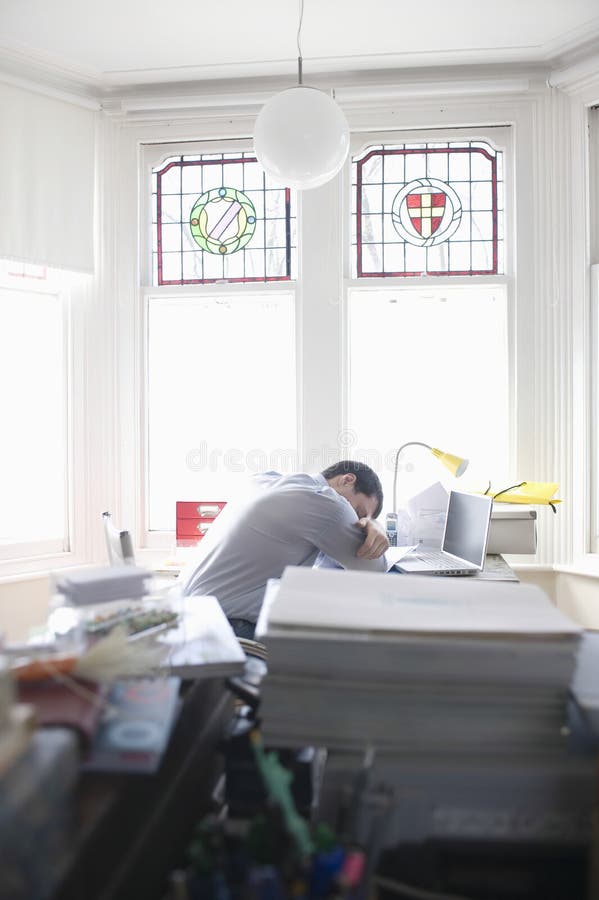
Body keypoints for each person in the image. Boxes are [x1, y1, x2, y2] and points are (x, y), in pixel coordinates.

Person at [179, 460, 390, 638]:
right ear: (347, 479)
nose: (358, 521)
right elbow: (374, 570)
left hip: (188, 617)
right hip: (229, 629)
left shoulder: (264, 480)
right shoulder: (328, 502)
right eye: (360, 512)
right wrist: (376, 526)